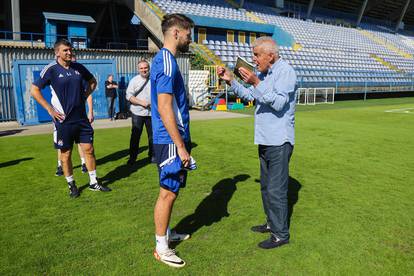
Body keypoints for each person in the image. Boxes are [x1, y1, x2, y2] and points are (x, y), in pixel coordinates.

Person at [217, 36, 297, 249]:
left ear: (270, 55)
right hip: (264, 138)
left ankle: (281, 234)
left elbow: (279, 103)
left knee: (276, 190)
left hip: (279, 140)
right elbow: (249, 96)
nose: (254, 59)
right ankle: (272, 224)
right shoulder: (262, 74)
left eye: (257, 55)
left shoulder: (285, 72)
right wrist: (231, 81)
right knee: (265, 187)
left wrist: (256, 82)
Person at [31, 39, 111, 198]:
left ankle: (93, 182)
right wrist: (49, 109)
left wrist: (85, 95)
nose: (69, 52)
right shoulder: (51, 69)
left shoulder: (78, 67)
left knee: (89, 150)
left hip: (81, 119)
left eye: (70, 50)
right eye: (66, 50)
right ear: (57, 52)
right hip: (63, 120)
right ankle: (71, 184)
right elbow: (34, 90)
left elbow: (93, 82)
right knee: (66, 154)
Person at [151, 13, 196, 268]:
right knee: (167, 193)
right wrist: (179, 146)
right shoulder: (166, 61)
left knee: (171, 191)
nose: (190, 38)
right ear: (176, 33)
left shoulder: (167, 60)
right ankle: (161, 248)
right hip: (169, 140)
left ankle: (166, 234)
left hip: (172, 138)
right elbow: (165, 106)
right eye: (188, 33)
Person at [55, 53, 94, 176]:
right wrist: (51, 110)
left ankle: (83, 163)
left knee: (83, 144)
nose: (72, 61)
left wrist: (90, 111)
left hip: (79, 117)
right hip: (62, 117)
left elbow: (89, 90)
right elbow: (35, 89)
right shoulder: (54, 72)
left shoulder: (79, 75)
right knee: (63, 146)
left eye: (73, 59)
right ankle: (60, 165)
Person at [125, 60, 155, 165]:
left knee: (152, 136)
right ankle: (132, 158)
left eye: (145, 68)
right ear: (138, 69)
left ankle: (153, 156)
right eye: (141, 68)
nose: (144, 70)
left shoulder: (154, 79)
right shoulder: (134, 81)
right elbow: (129, 96)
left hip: (151, 113)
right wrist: (141, 102)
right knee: (135, 136)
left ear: (149, 68)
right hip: (137, 112)